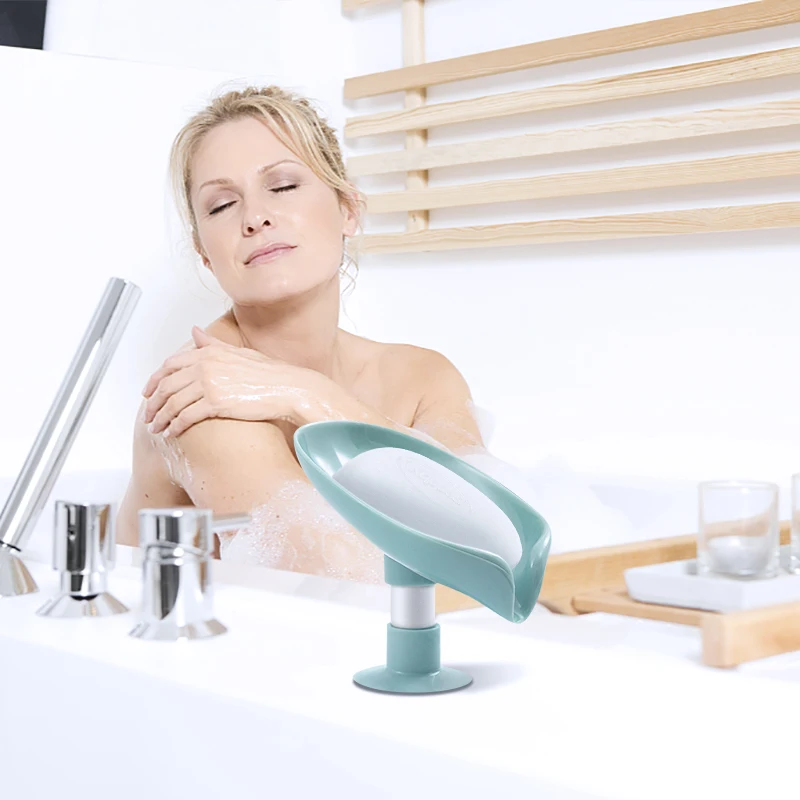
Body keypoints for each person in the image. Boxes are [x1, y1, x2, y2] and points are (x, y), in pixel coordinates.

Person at [116, 86, 486, 583]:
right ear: (205, 253)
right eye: (222, 205)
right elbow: (350, 576)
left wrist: (306, 393)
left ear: (348, 210)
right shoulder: (197, 396)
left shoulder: (422, 378)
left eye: (284, 185)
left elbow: (494, 532)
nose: (255, 218)